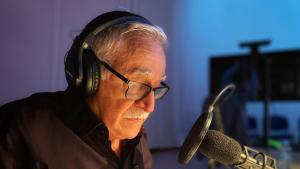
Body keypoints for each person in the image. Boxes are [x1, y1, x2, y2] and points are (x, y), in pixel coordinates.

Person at [0, 11, 169, 169]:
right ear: (91, 75)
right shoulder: (20, 130)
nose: (150, 106)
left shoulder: (138, 139)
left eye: (155, 88)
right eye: (138, 84)